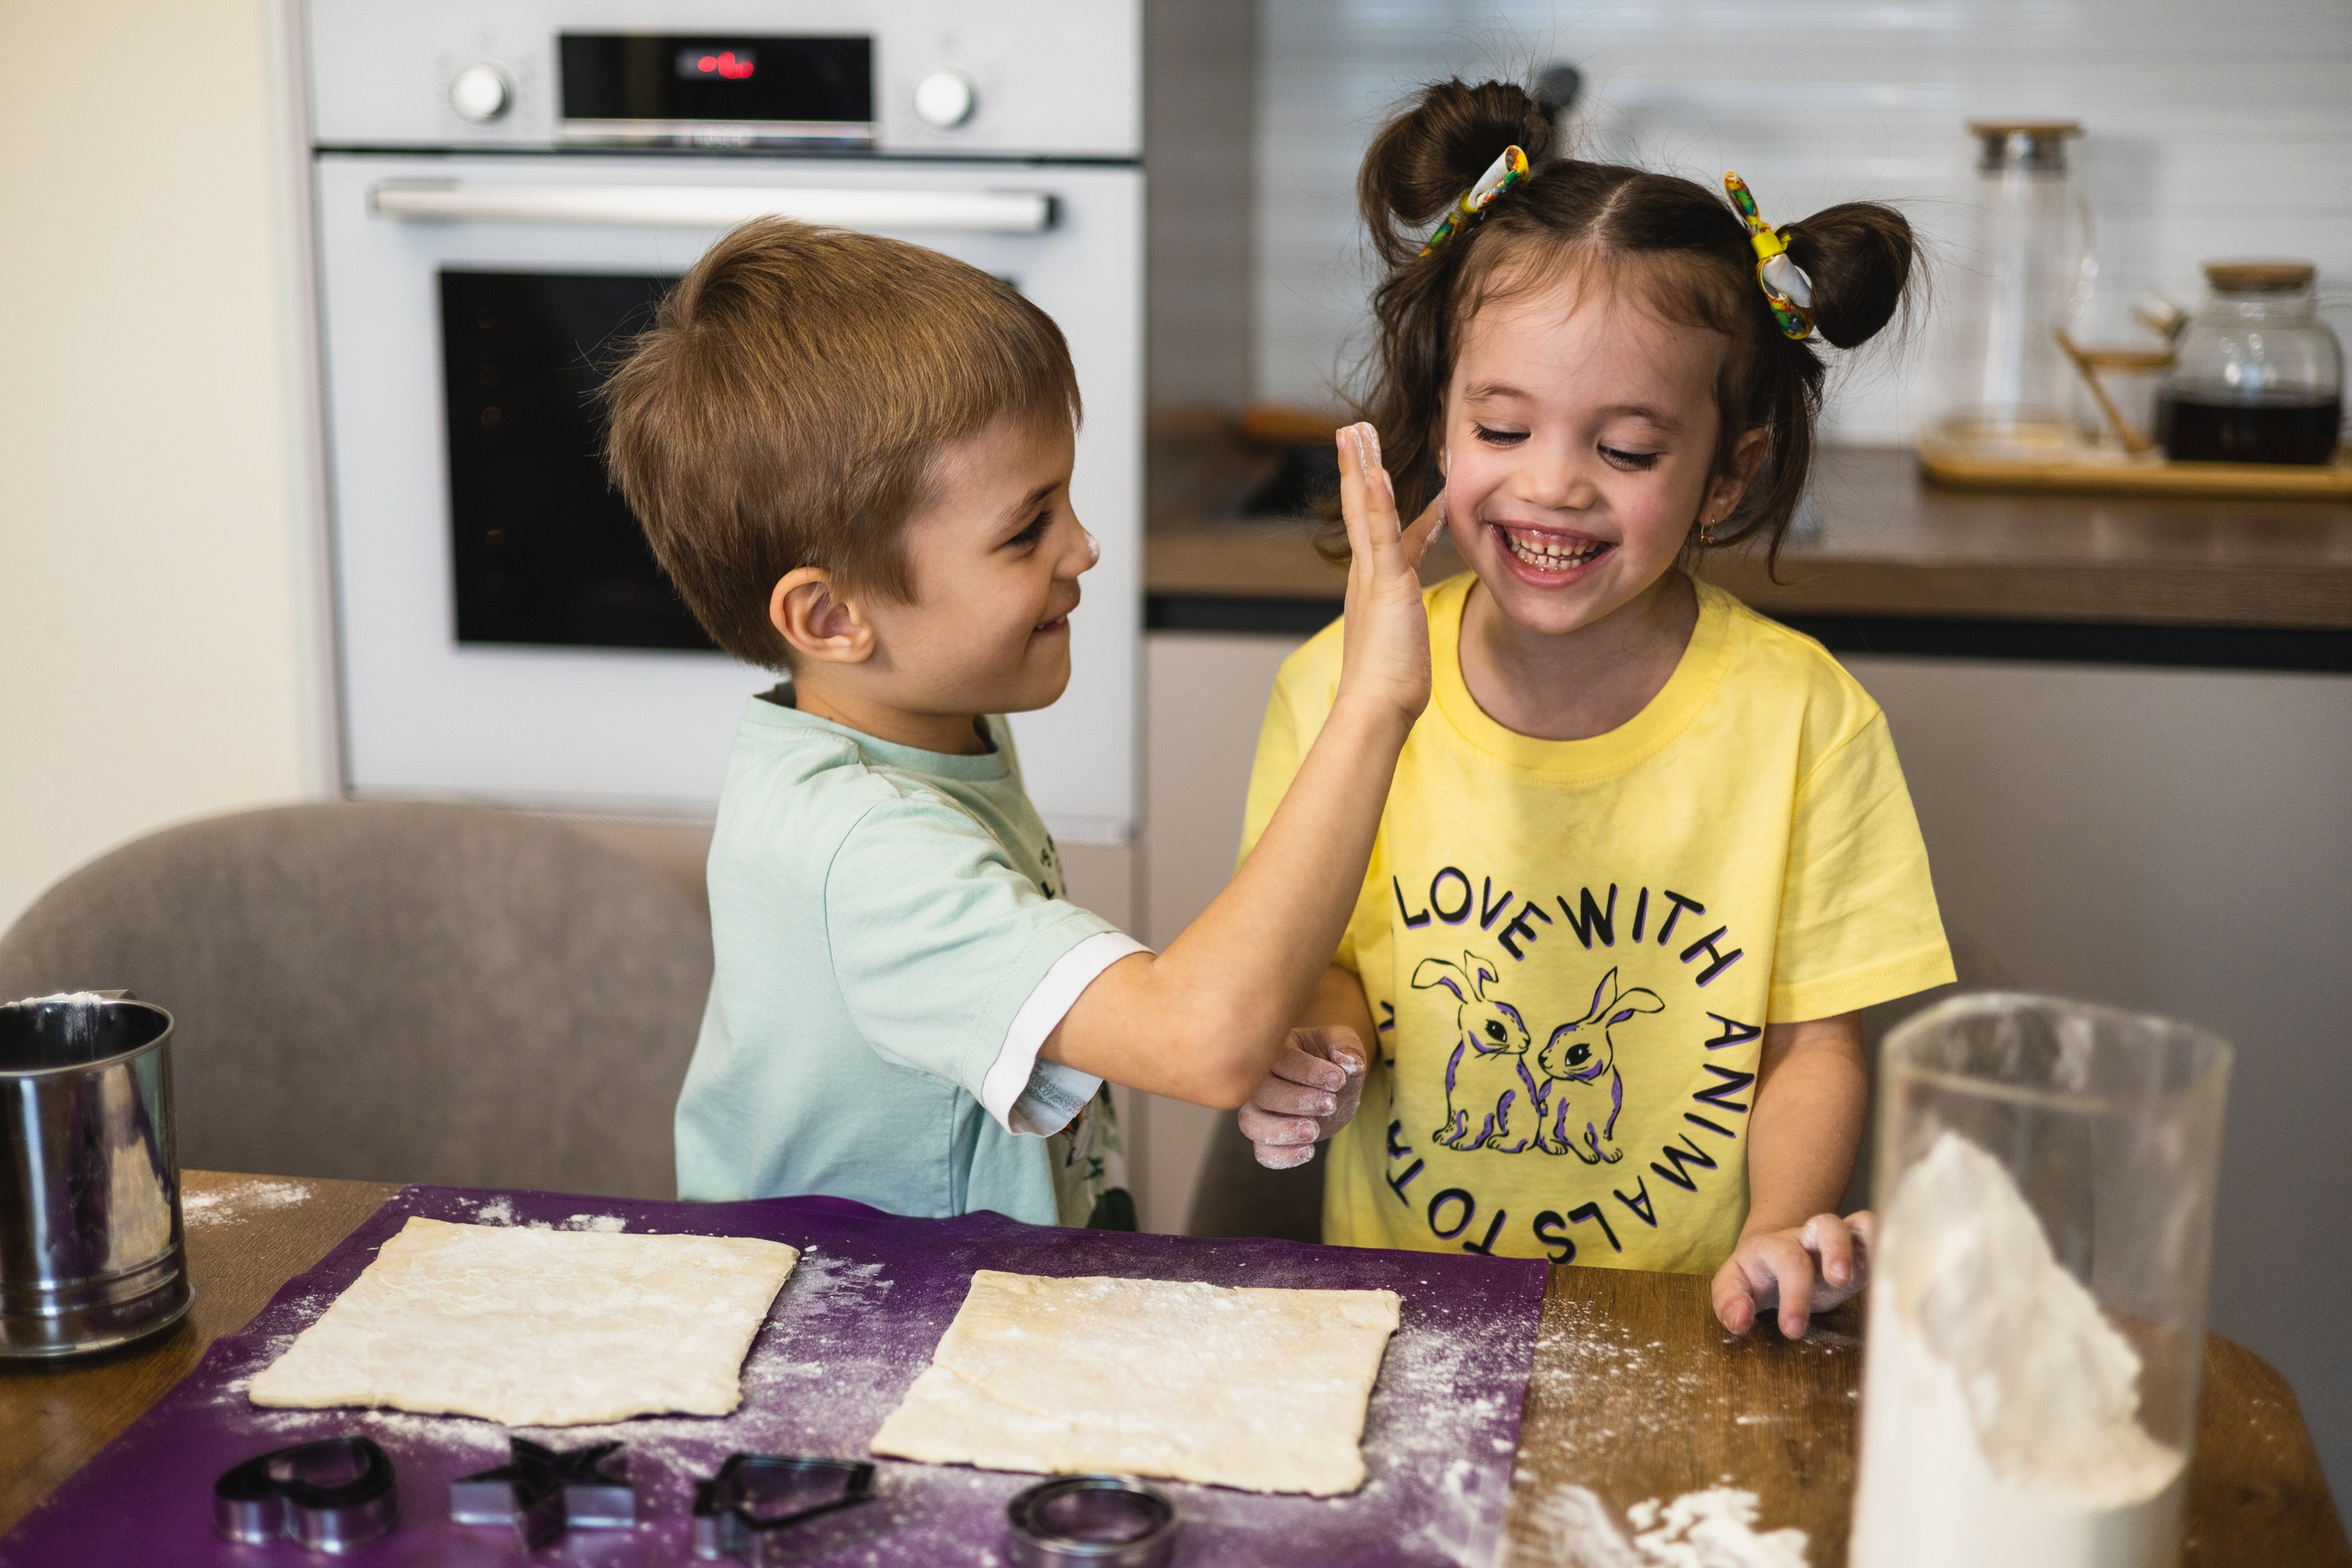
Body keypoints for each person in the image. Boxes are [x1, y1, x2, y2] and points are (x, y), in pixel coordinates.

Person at [1232, 80, 1954, 1337]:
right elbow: (1332, 963)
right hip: (1408, 1315)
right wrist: (1320, 1047)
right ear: (1444, 415)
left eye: (1625, 451)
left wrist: (1781, 1225)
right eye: (1502, 425)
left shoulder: (1806, 720)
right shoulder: (1336, 687)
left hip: (1683, 1323)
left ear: (1726, 471)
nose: (1553, 485)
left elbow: (1812, 1046)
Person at [604, 219, 1440, 1232]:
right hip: (855, 1351)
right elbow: (1201, 1037)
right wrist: (1372, 699)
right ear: (830, 618)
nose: (1084, 547)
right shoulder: (861, 848)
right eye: (1025, 528)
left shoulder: (925, 733)